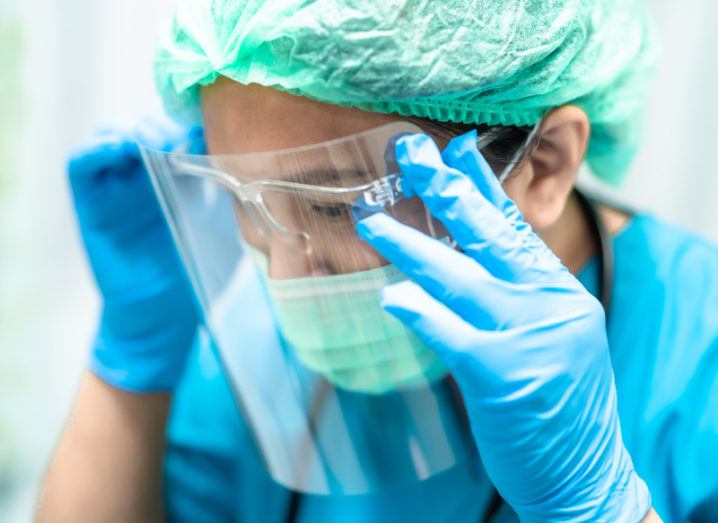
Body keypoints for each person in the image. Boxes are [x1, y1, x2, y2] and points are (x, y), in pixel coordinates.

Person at [37, 2, 718, 522]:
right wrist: (129, 366)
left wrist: (598, 506)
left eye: (334, 206)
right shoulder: (255, 350)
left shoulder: (697, 362)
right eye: (245, 196)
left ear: (544, 162)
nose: (284, 272)